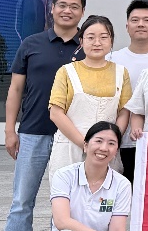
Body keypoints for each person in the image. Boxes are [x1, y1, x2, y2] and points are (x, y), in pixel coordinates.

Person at [0, 0, 86, 231]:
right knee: (22, 200)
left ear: (82, 12)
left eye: (74, 6)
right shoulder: (32, 44)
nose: (67, 10)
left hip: (70, 136)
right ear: (52, 9)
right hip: (33, 132)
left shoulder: (87, 46)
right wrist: (10, 129)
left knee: (64, 201)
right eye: (62, 5)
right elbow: (15, 89)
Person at [47, 15, 132, 179]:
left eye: (103, 37)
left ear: (111, 41)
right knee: (68, 191)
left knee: (105, 193)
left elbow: (124, 112)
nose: (97, 42)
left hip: (106, 152)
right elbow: (56, 113)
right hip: (70, 149)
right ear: (81, 41)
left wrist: (111, 142)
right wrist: (85, 144)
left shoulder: (121, 73)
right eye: (91, 37)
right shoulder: (66, 72)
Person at [106, 0, 148, 180]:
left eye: (147, 20)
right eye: (135, 20)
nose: (141, 24)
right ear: (127, 26)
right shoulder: (111, 59)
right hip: (119, 143)